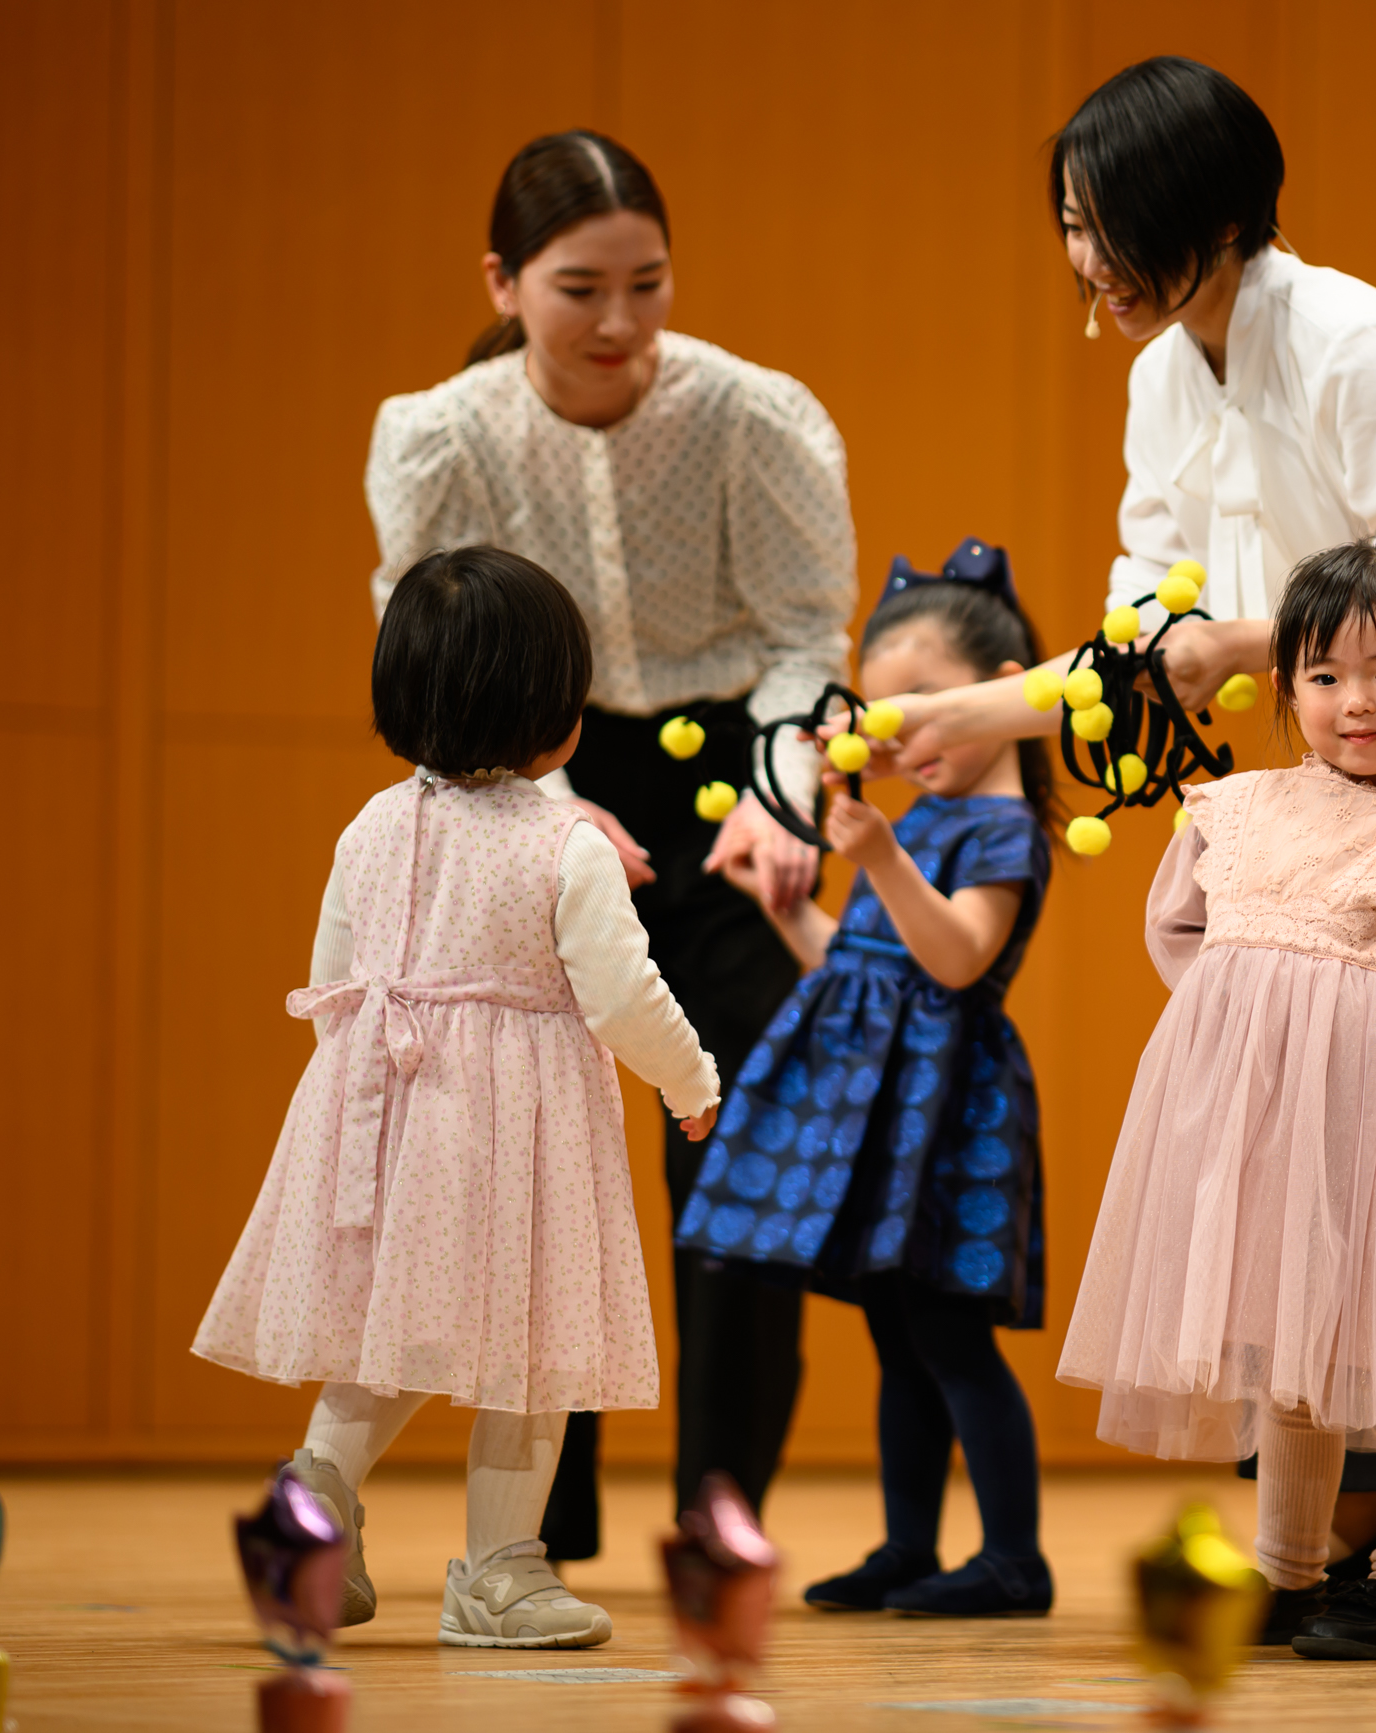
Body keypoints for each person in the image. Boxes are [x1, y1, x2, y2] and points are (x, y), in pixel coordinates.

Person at [363, 130, 855, 1549]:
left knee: (742, 1123)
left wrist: (781, 796)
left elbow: (801, 637)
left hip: (728, 786)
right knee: (535, 1140)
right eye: (582, 288)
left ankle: (720, 1507)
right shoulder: (439, 432)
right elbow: (429, 647)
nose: (623, 324)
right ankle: (538, 1526)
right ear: (505, 283)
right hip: (529, 769)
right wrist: (537, 798)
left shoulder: (754, 415)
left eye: (649, 283)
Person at [869, 54, 1376, 904]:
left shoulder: (1351, 343)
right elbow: (1149, 639)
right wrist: (940, 718)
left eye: (1128, 227)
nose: (1095, 262)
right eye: (1077, 225)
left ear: (1228, 218)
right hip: (1369, 711)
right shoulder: (1160, 376)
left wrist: (1249, 645)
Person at [193, 548, 722, 1649]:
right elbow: (623, 993)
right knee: (528, 1343)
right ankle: (498, 1574)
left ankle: (314, 1506)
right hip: (510, 1123)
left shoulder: (369, 824)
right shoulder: (564, 843)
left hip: (382, 1104)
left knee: (389, 1336)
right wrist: (691, 1078)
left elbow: (334, 967)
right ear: (554, 714)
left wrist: (355, 1092)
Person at [1058, 540, 1376, 1662]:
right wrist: (1242, 1040)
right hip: (1257, 1117)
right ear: (1283, 683)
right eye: (1324, 674)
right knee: (1288, 1339)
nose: (1355, 701)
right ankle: (1287, 1569)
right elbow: (1179, 929)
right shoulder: (1232, 808)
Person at [676, 541, 1058, 1618]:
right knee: (897, 1333)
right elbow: (860, 965)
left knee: (946, 1330)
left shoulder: (998, 824)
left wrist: (881, 856)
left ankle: (1014, 1556)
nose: (900, 734)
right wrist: (783, 902)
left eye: (928, 705)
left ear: (999, 700)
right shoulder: (917, 819)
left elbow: (956, 960)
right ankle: (908, 1543)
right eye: (883, 712)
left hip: (949, 1108)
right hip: (886, 1101)